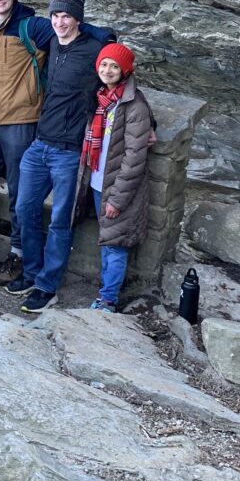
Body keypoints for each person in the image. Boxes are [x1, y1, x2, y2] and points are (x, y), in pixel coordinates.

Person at [0, 0, 113, 281]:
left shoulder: (35, 27)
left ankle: (17, 253)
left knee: (20, 193)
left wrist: (106, 37)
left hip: (22, 122)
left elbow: (77, 30)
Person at [9, 0, 105, 313]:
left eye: (67, 15)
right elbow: (12, 14)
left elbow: (121, 82)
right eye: (56, 15)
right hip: (40, 143)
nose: (60, 21)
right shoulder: (50, 39)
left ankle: (48, 286)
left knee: (61, 219)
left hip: (69, 150)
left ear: (78, 18)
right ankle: (32, 273)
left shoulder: (96, 49)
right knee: (24, 207)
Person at [76, 43, 153, 313]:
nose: (107, 70)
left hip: (115, 188)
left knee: (114, 245)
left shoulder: (134, 106)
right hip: (98, 182)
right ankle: (105, 293)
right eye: (104, 64)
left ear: (125, 70)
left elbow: (134, 159)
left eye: (114, 66)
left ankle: (108, 300)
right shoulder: (100, 97)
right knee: (107, 240)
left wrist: (117, 199)